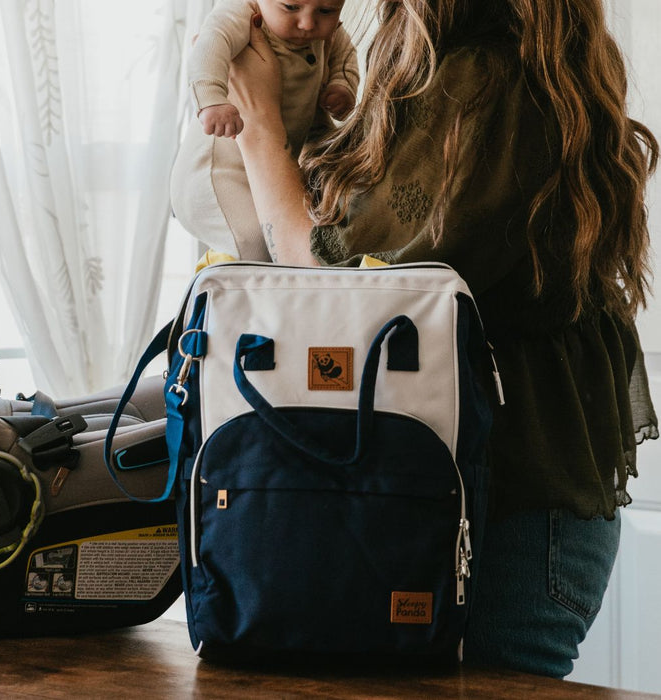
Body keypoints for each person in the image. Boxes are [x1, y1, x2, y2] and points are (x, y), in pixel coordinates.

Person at [225, 0, 660, 678]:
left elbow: (341, 288)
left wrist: (257, 128)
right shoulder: (530, 66)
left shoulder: (483, 80)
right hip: (521, 507)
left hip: (503, 521)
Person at [170, 0, 359, 261]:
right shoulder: (243, 14)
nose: (307, 23)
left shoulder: (326, 34)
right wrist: (211, 99)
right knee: (258, 244)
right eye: (291, 7)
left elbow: (345, 55)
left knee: (297, 234)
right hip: (214, 174)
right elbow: (209, 45)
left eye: (326, 11)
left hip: (265, 174)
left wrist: (342, 85)